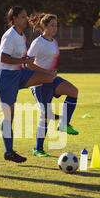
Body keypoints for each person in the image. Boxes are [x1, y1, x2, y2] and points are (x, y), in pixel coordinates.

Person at [0, 6, 55, 163]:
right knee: (9, 117)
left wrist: (28, 64)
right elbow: (3, 58)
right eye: (22, 16)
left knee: (49, 78)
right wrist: (24, 61)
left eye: (26, 16)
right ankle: (9, 152)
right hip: (5, 77)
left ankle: (45, 109)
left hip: (19, 74)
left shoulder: (21, 35)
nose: (25, 19)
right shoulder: (10, 35)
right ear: (14, 19)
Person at [26, 13, 79, 157]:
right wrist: (46, 72)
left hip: (51, 79)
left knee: (73, 91)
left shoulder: (54, 41)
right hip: (39, 82)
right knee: (46, 115)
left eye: (56, 25)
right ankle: (38, 149)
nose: (55, 28)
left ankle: (63, 124)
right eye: (52, 25)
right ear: (44, 26)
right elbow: (28, 64)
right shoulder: (38, 42)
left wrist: (52, 72)